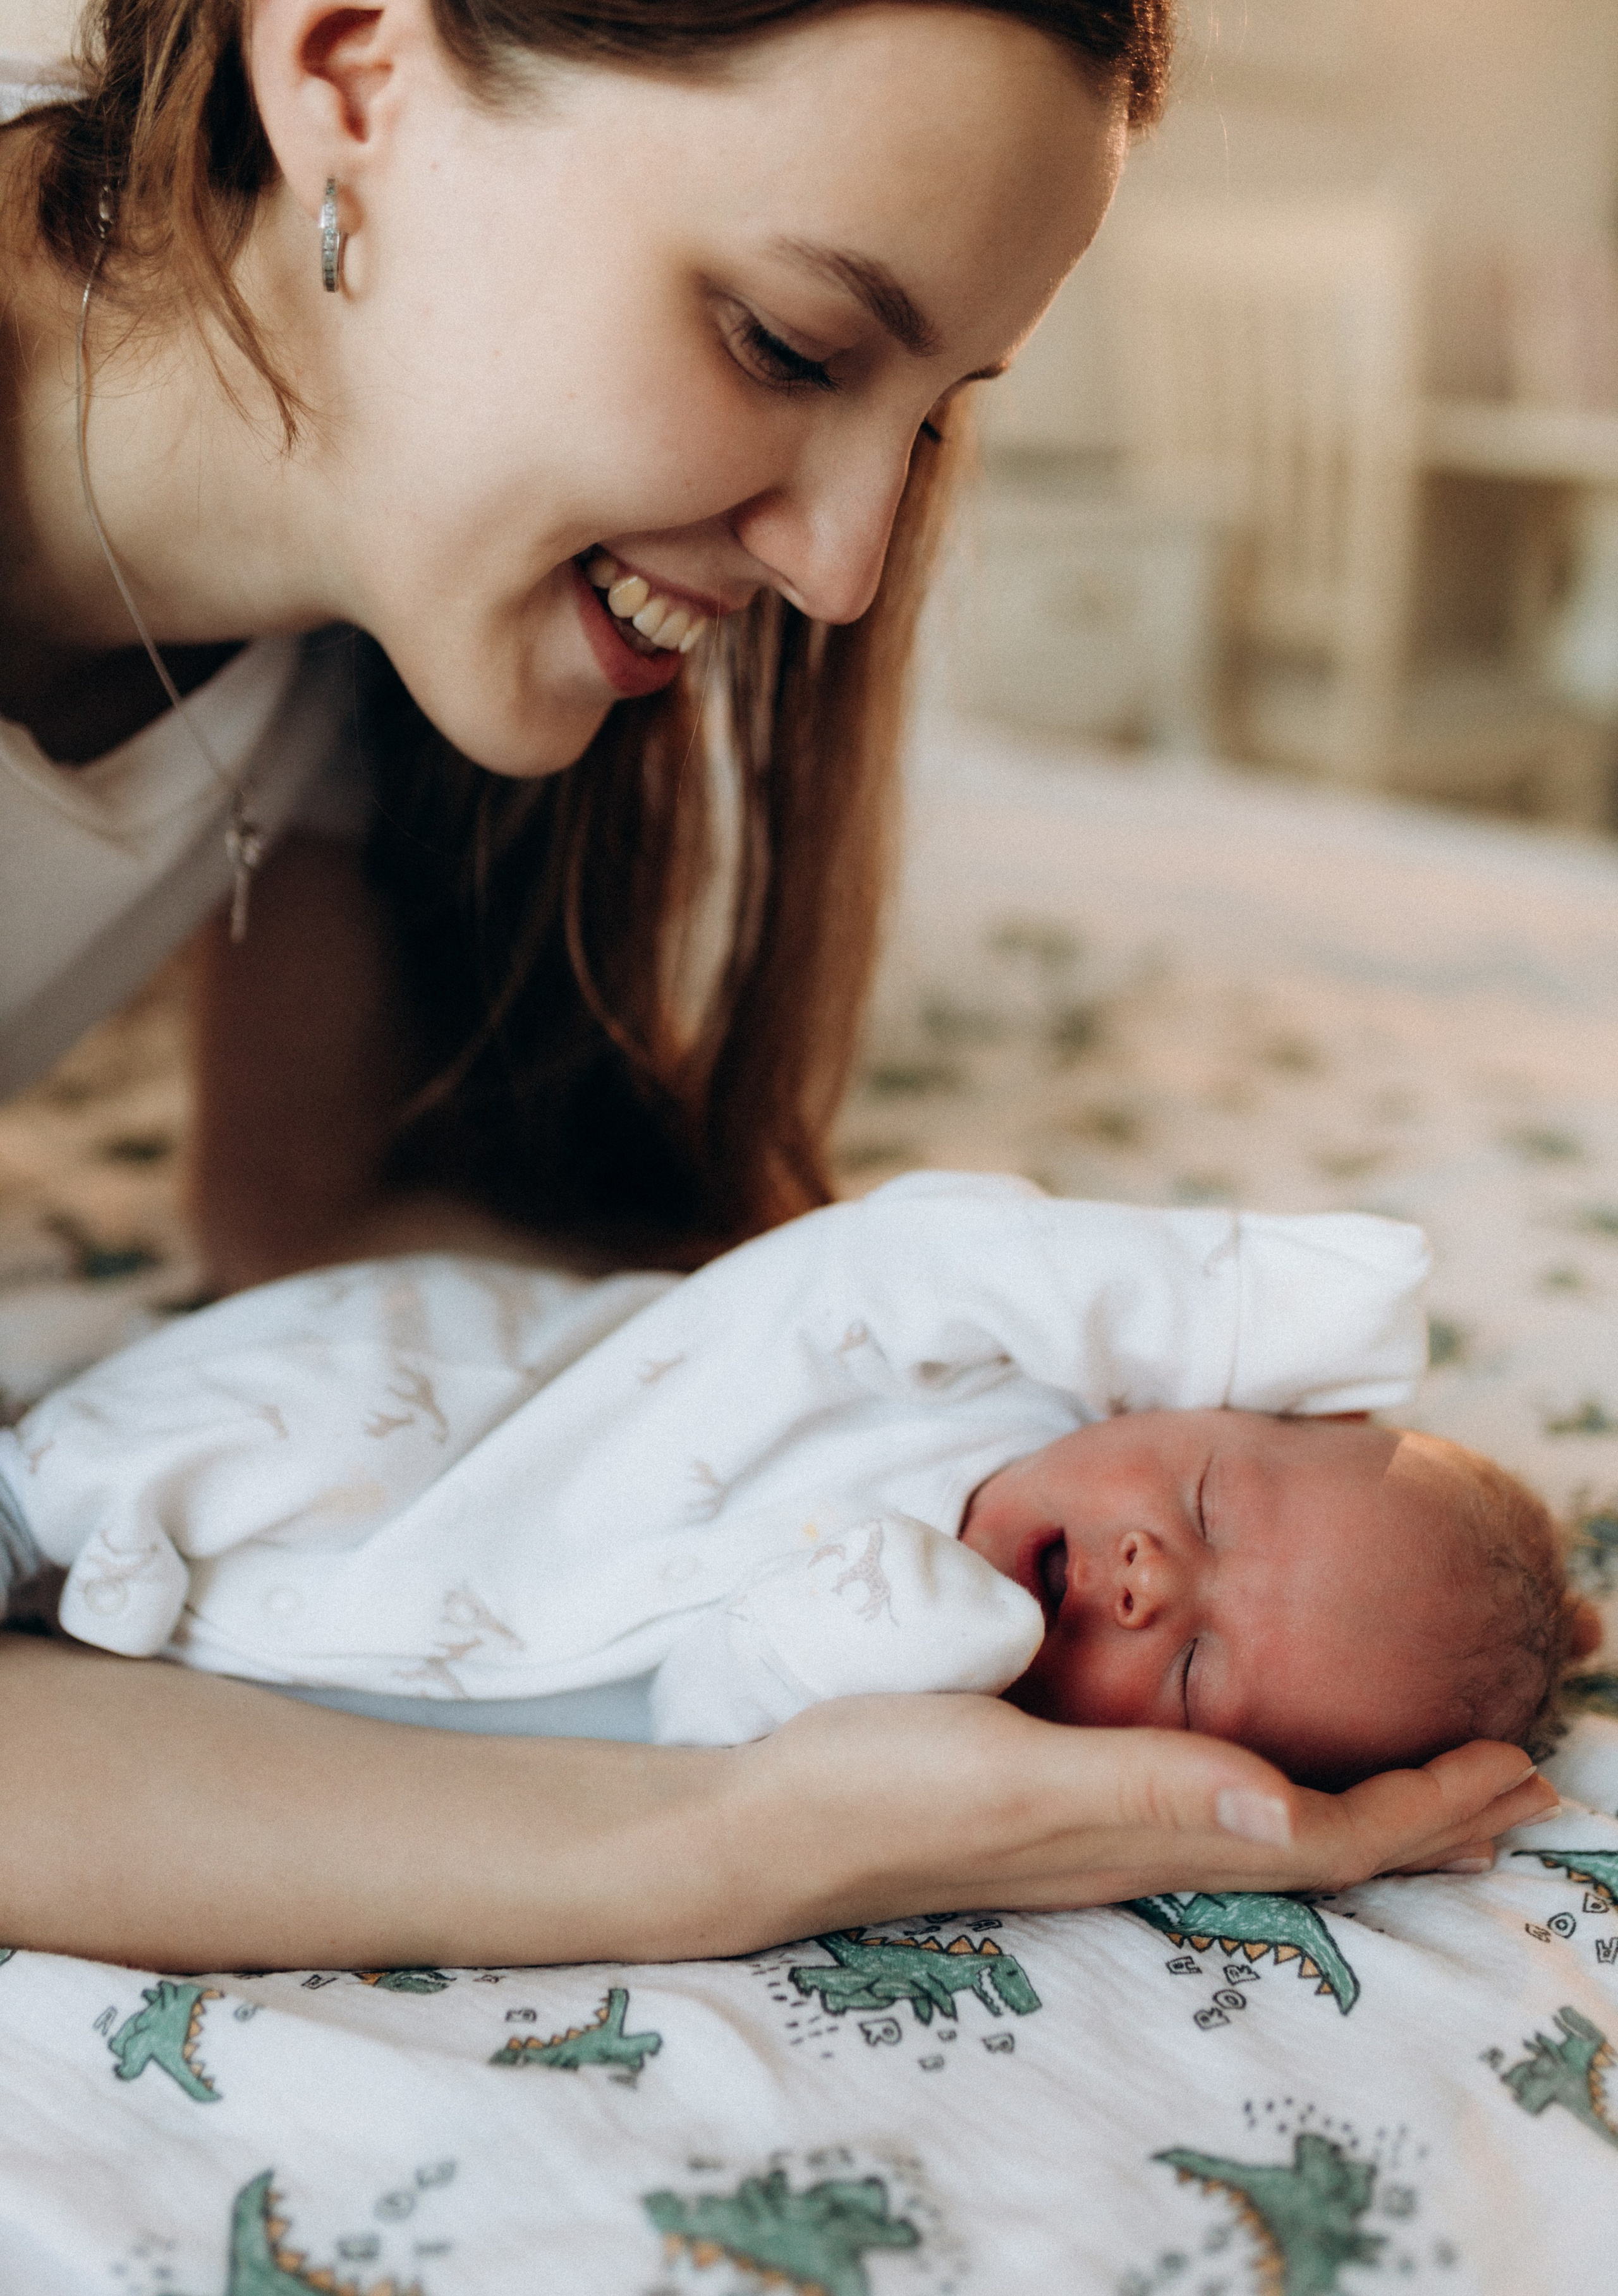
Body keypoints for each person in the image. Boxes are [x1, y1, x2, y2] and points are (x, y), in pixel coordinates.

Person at [0, 0, 1558, 1975]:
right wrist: (733, 1842)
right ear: (350, 66)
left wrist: (880, 1403)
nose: (845, 568)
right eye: (786, 345)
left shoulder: (343, 644)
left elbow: (309, 1217)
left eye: (928, 418)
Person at [0, 1175, 1591, 1787]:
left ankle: (76, 1565)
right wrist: (1221, 1295)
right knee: (319, 1418)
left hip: (383, 1647)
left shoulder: (968, 1735)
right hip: (499, 1419)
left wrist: (871, 1642)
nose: (1146, 1576)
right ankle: (45, 1490)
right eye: (1204, 1503)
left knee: (233, 1636)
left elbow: (712, 1719)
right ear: (1194, 1391)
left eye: (1189, 1671)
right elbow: (894, 1255)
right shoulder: (989, 1365)